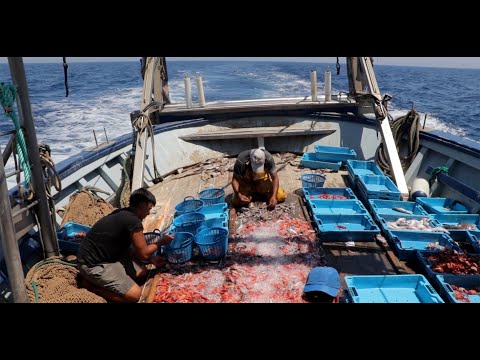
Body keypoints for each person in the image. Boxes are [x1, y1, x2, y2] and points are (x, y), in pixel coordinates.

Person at [77, 188, 174, 303]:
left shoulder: (123, 213)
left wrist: (152, 259)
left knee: (141, 273)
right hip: (93, 264)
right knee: (135, 296)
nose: (148, 214)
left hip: (109, 255)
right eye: (148, 209)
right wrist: (161, 241)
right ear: (142, 205)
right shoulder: (133, 222)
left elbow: (130, 248)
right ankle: (93, 288)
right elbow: (143, 254)